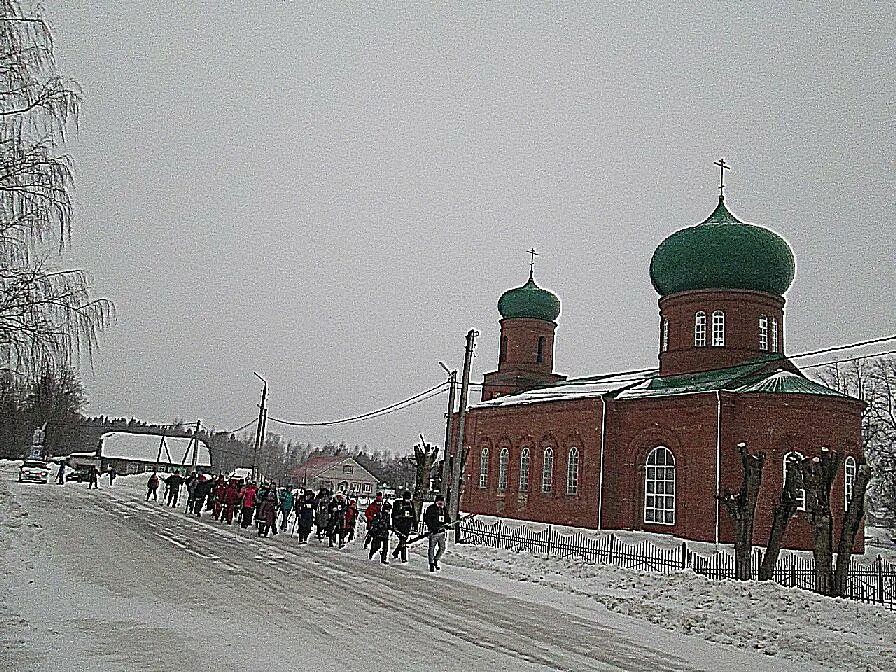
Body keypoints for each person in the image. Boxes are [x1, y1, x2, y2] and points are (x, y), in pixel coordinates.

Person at [423, 494, 452, 572]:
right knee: (432, 548)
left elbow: (447, 518)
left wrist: (447, 524)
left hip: (442, 532)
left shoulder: (444, 509)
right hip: (434, 532)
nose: (441, 503)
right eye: (440, 501)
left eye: (442, 501)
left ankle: (436, 559)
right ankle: (431, 563)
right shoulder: (431, 509)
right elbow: (427, 519)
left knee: (442, 548)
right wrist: (432, 528)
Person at [391, 490, 418, 564]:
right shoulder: (398, 504)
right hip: (399, 525)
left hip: (407, 526)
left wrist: (415, 525)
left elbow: (414, 515)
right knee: (403, 541)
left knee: (403, 541)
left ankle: (396, 552)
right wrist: (394, 525)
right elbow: (393, 515)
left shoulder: (411, 504)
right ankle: (403, 557)